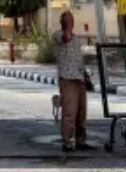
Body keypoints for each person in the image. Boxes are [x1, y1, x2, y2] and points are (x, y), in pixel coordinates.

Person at [54, 9, 90, 151]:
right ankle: (67, 142)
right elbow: (65, 37)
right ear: (62, 23)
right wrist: (67, 26)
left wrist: (86, 77)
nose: (69, 22)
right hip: (68, 79)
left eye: (71, 20)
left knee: (82, 113)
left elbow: (79, 60)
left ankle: (81, 141)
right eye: (66, 20)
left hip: (79, 79)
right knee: (69, 112)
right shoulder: (58, 36)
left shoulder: (76, 39)